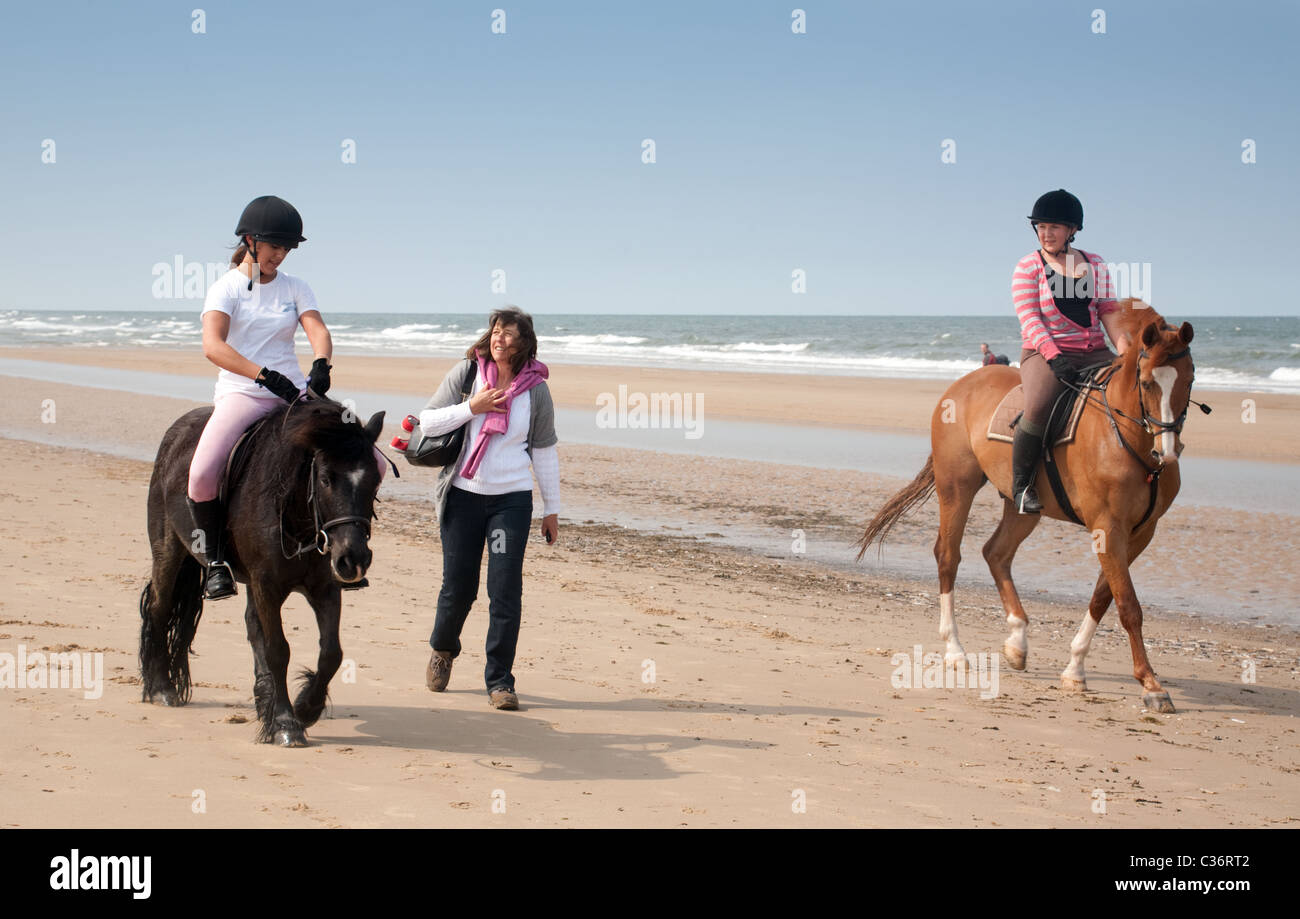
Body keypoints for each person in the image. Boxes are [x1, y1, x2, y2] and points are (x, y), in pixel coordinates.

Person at [188, 195, 382, 599]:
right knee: (202, 474)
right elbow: (213, 346)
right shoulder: (226, 289)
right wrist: (261, 375)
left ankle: (340, 544)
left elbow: (318, 331)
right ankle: (216, 563)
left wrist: (321, 364)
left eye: (287, 248)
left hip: (294, 395)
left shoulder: (295, 287)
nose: (281, 254)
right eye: (275, 245)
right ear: (250, 239)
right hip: (244, 393)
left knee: (374, 461)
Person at [418, 306, 560, 711]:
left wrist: (552, 508)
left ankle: (500, 681)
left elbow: (545, 448)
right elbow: (426, 422)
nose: (500, 339)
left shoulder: (535, 390)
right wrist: (472, 407)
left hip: (511, 501)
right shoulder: (466, 375)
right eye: (496, 331)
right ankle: (443, 649)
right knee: (458, 588)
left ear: (525, 344)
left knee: (504, 591)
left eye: (510, 335)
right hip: (463, 495)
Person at [1010, 189, 1128, 514]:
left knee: (1133, 390)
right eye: (1041, 227)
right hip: (1043, 353)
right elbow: (1030, 319)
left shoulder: (1095, 263)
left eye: (1054, 227)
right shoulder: (1028, 267)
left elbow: (1108, 310)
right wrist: (1054, 357)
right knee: (1038, 407)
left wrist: (1125, 351)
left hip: (1093, 351)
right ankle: (1021, 488)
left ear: (1072, 230)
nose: (1046, 234)